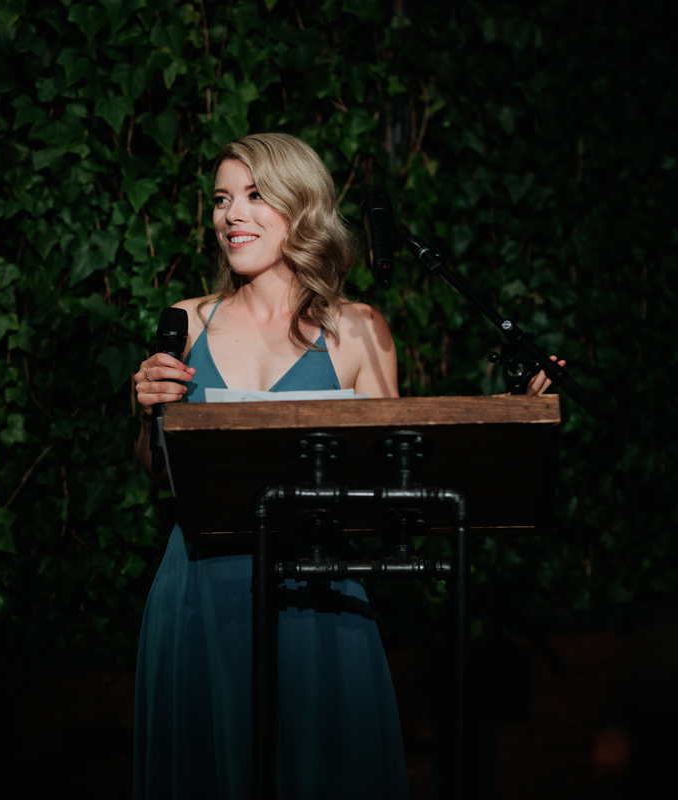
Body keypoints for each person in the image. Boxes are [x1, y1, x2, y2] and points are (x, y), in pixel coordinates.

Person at [130, 132, 558, 798]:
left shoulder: (357, 330)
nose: (232, 214)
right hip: (201, 597)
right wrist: (148, 412)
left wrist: (510, 415)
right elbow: (157, 472)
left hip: (318, 593)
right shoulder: (187, 322)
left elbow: (400, 482)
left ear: (302, 207)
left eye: (255, 195)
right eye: (221, 199)